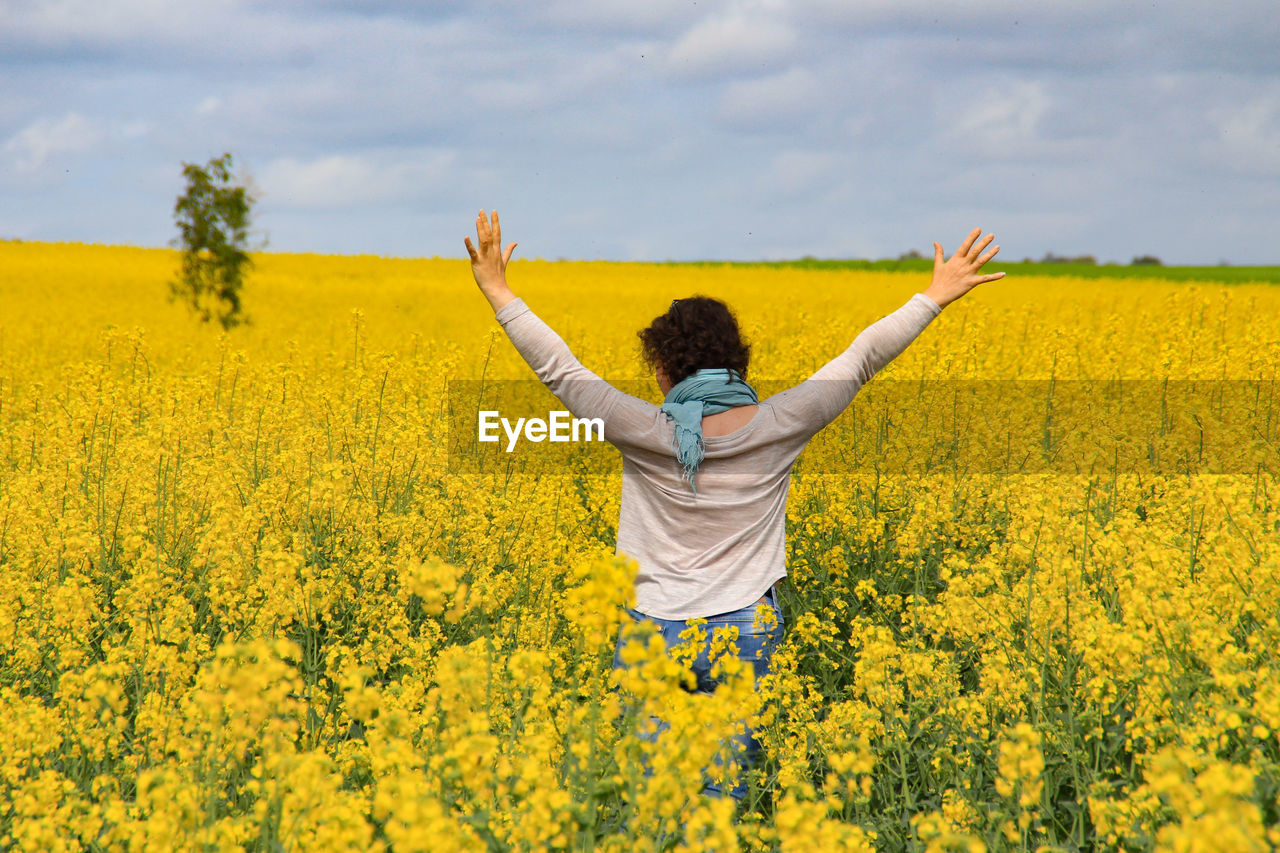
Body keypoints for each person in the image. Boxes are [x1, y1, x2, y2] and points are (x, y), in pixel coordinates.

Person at [464, 209, 1004, 805]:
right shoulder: (781, 424)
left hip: (651, 627)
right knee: (722, 796)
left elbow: (560, 370)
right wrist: (935, 295)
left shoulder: (642, 429)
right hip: (745, 627)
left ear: (664, 369)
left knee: (652, 797)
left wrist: (498, 290)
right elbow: (862, 357)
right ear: (738, 363)